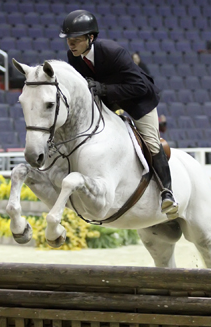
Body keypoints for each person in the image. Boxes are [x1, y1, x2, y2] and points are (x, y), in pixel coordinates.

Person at [59, 10, 178, 217]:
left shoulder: (112, 51)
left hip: (139, 99)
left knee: (150, 142)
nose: (71, 44)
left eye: (76, 40)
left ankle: (167, 193)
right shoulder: (73, 56)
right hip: (110, 101)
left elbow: (139, 86)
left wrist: (103, 89)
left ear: (91, 37)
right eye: (69, 40)